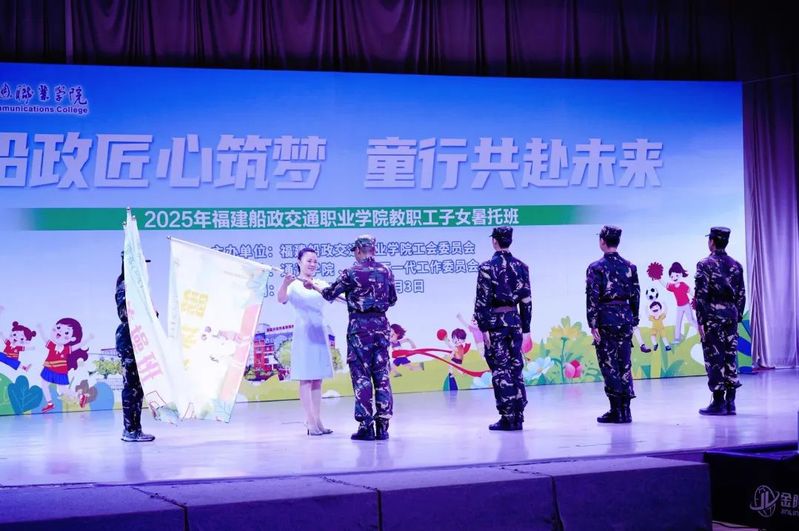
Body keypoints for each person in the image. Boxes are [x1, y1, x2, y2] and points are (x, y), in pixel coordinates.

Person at [305, 235, 397, 441]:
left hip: (359, 331)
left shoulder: (351, 273)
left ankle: (366, 426)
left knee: (361, 377)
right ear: (373, 250)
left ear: (358, 250)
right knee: (382, 376)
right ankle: (383, 426)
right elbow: (392, 300)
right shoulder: (386, 271)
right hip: (381, 328)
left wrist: (314, 286)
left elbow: (330, 294)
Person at [473, 226, 531, 432]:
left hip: (496, 323)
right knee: (516, 366)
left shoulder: (487, 267)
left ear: (494, 241)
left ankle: (508, 417)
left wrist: (484, 327)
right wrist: (526, 327)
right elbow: (526, 300)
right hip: (514, 321)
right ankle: (519, 414)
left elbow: (482, 300)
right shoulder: (521, 266)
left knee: (500, 369)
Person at [277, 247, 334, 436]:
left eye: (315, 261)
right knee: (306, 378)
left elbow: (332, 296)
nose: (312, 264)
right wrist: (285, 283)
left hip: (319, 331)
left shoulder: (320, 283)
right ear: (299, 262)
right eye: (309, 260)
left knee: (317, 378)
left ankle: (318, 420)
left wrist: (314, 286)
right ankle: (310, 422)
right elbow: (281, 299)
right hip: (304, 333)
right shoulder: (293, 284)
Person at [586, 225, 640, 424]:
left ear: (602, 241)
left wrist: (593, 323)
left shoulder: (596, 267)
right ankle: (626, 410)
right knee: (624, 363)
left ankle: (616, 409)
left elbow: (592, 297)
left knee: (609, 364)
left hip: (606, 319)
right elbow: (636, 295)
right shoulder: (630, 266)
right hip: (625, 318)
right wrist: (634, 319)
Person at [694, 227, 746, 416]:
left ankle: (718, 402)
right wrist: (736, 316)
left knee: (715, 358)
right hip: (731, 316)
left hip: (713, 317)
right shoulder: (736, 265)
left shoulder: (704, 264)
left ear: (712, 242)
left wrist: (701, 321)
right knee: (730, 357)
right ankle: (731, 402)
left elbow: (701, 295)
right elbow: (741, 294)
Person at [116, 252, 155, 442]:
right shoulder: (125, 285)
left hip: (138, 339)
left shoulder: (137, 287)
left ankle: (135, 429)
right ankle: (130, 430)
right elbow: (125, 314)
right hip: (130, 340)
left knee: (137, 388)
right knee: (131, 387)